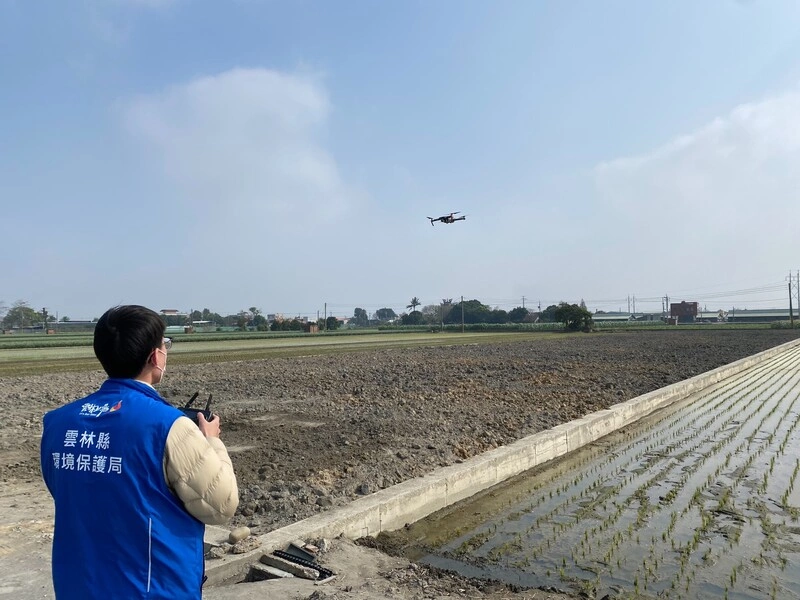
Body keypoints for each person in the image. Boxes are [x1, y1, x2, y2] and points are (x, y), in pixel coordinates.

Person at [40, 305, 239, 599]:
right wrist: (211, 441)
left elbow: (67, 490)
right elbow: (221, 505)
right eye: (164, 344)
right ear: (155, 357)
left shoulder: (58, 423)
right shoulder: (170, 426)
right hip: (152, 588)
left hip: (79, 586)